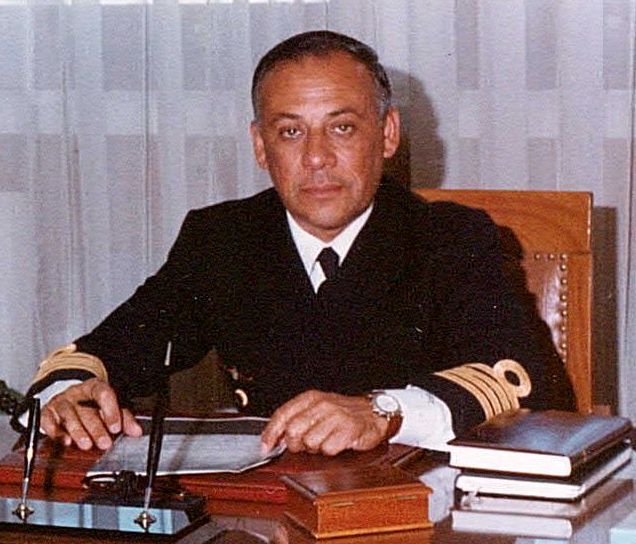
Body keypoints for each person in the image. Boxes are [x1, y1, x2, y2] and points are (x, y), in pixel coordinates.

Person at [14, 30, 573, 456]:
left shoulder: (449, 238)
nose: (316, 158)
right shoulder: (222, 239)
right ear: (261, 147)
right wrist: (71, 393)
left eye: (342, 127)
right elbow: (110, 348)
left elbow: (525, 382)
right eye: (290, 132)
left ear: (387, 135)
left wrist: (386, 412)